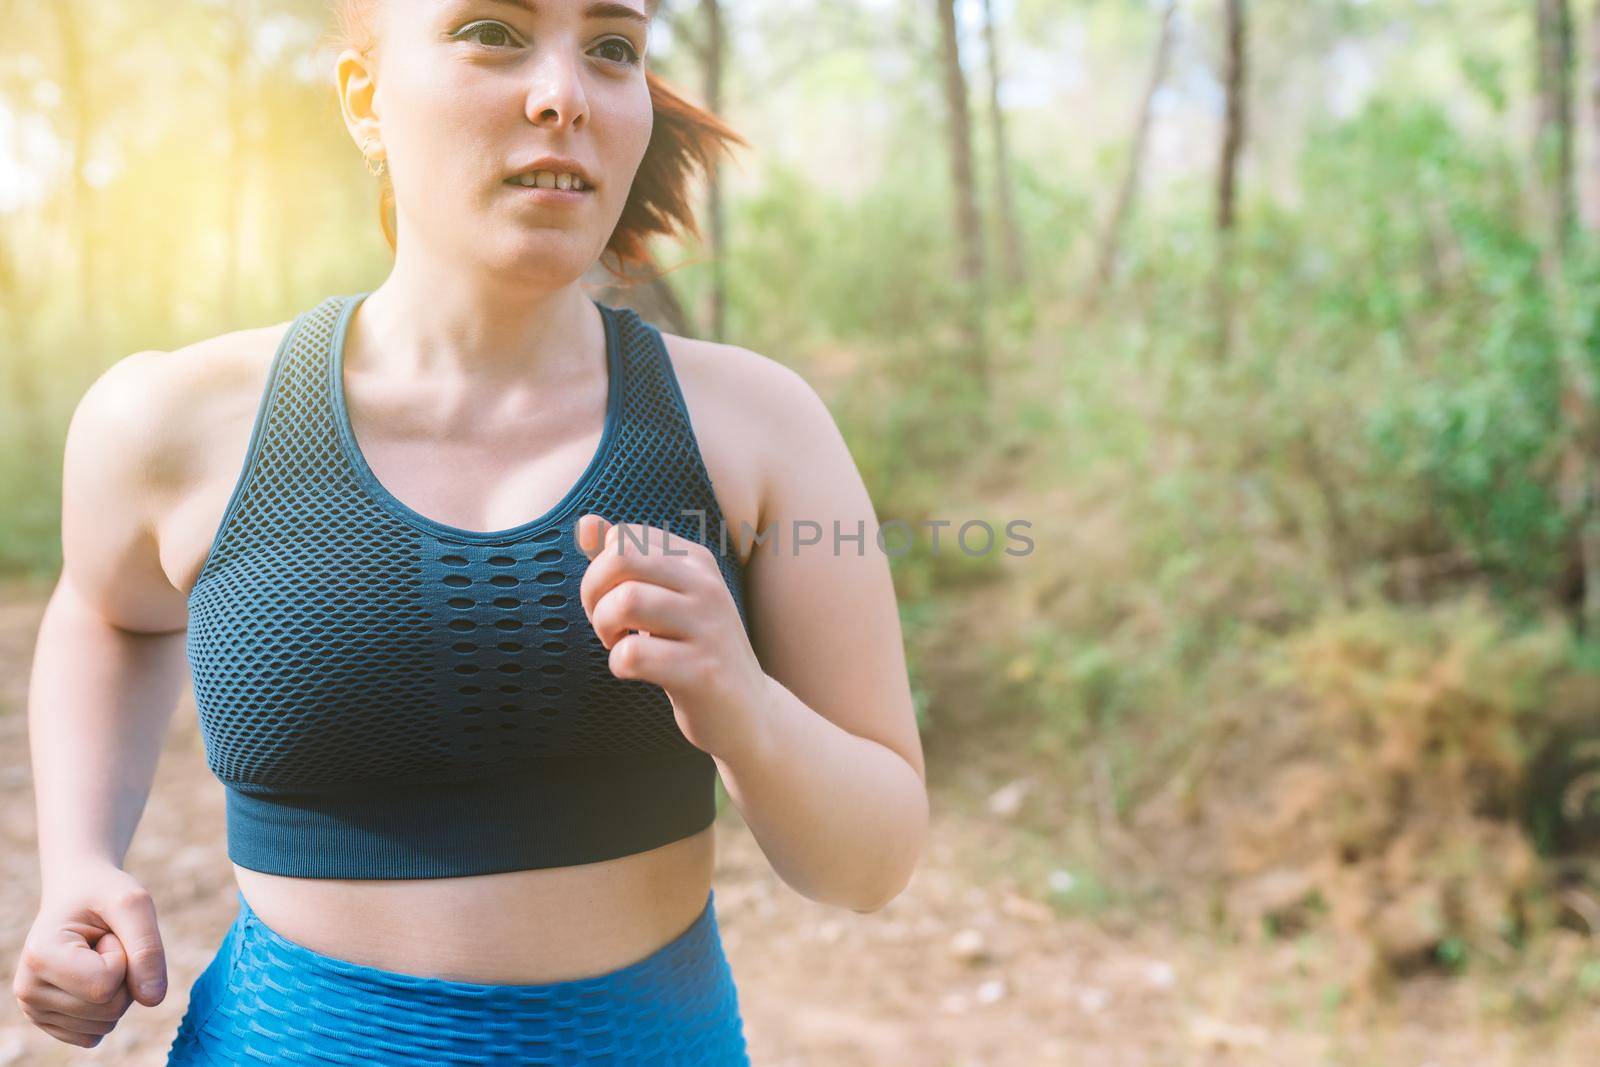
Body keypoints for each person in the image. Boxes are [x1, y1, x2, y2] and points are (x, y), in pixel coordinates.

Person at [9, 0, 929, 1062]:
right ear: (365, 98)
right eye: (492, 31)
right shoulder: (173, 420)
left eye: (612, 48)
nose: (563, 95)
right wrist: (77, 859)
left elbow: (871, 864)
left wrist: (747, 709)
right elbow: (109, 611)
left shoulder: (759, 429)